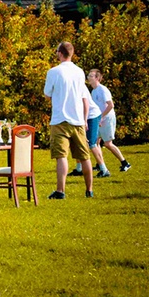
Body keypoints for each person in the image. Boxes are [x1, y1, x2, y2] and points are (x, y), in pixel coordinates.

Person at [44, 42, 94, 199]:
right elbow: (83, 95)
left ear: (60, 53)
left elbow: (47, 95)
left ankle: (60, 191)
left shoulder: (53, 72)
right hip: (78, 119)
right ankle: (89, 190)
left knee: (61, 156)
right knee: (84, 156)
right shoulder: (79, 72)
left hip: (60, 119)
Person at [89, 69, 131, 173]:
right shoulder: (93, 91)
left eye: (91, 76)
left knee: (108, 144)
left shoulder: (102, 90)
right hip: (99, 119)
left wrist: (101, 117)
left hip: (107, 118)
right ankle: (100, 165)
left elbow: (110, 105)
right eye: (88, 76)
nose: (88, 78)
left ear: (97, 78)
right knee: (95, 142)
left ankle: (125, 163)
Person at [69, 76, 107, 178]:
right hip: (82, 117)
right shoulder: (70, 87)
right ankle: (79, 169)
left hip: (92, 116)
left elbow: (86, 104)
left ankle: (104, 169)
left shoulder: (80, 86)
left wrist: (85, 120)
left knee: (91, 144)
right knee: (78, 141)